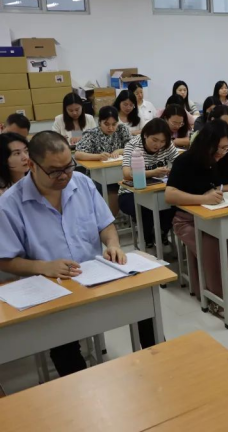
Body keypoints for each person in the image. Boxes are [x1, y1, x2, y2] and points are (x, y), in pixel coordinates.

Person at [0, 131, 160, 378]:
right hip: (50, 287)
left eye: (68, 166)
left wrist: (113, 244)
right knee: (63, 343)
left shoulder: (82, 184)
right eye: (55, 171)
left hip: (94, 276)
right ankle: (81, 388)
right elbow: (5, 260)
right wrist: (43, 267)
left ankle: (160, 366)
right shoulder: (10, 204)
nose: (64, 176)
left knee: (142, 302)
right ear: (31, 165)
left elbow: (105, 224)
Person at [166, 121, 228, 320]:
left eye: (226, 147)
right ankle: (216, 298)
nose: (222, 152)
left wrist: (220, 189)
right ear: (206, 144)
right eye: (218, 147)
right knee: (211, 243)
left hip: (219, 215)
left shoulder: (226, 157)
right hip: (188, 220)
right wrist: (202, 199)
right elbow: (170, 195)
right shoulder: (186, 160)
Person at [118, 119, 178, 250]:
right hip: (130, 193)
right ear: (145, 135)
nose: (158, 145)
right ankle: (147, 240)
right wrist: (153, 172)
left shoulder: (167, 145)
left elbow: (180, 164)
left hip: (158, 190)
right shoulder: (133, 146)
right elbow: (127, 174)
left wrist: (173, 171)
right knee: (146, 210)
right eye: (154, 140)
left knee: (174, 204)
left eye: (162, 141)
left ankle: (161, 233)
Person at [74, 106, 131, 216]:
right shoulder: (91, 134)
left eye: (114, 124)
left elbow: (133, 147)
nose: (111, 128)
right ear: (99, 122)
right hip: (98, 174)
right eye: (106, 124)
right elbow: (78, 154)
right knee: (110, 188)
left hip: (121, 171)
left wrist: (119, 151)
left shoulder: (122, 129)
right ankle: (108, 219)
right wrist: (98, 156)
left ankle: (126, 216)